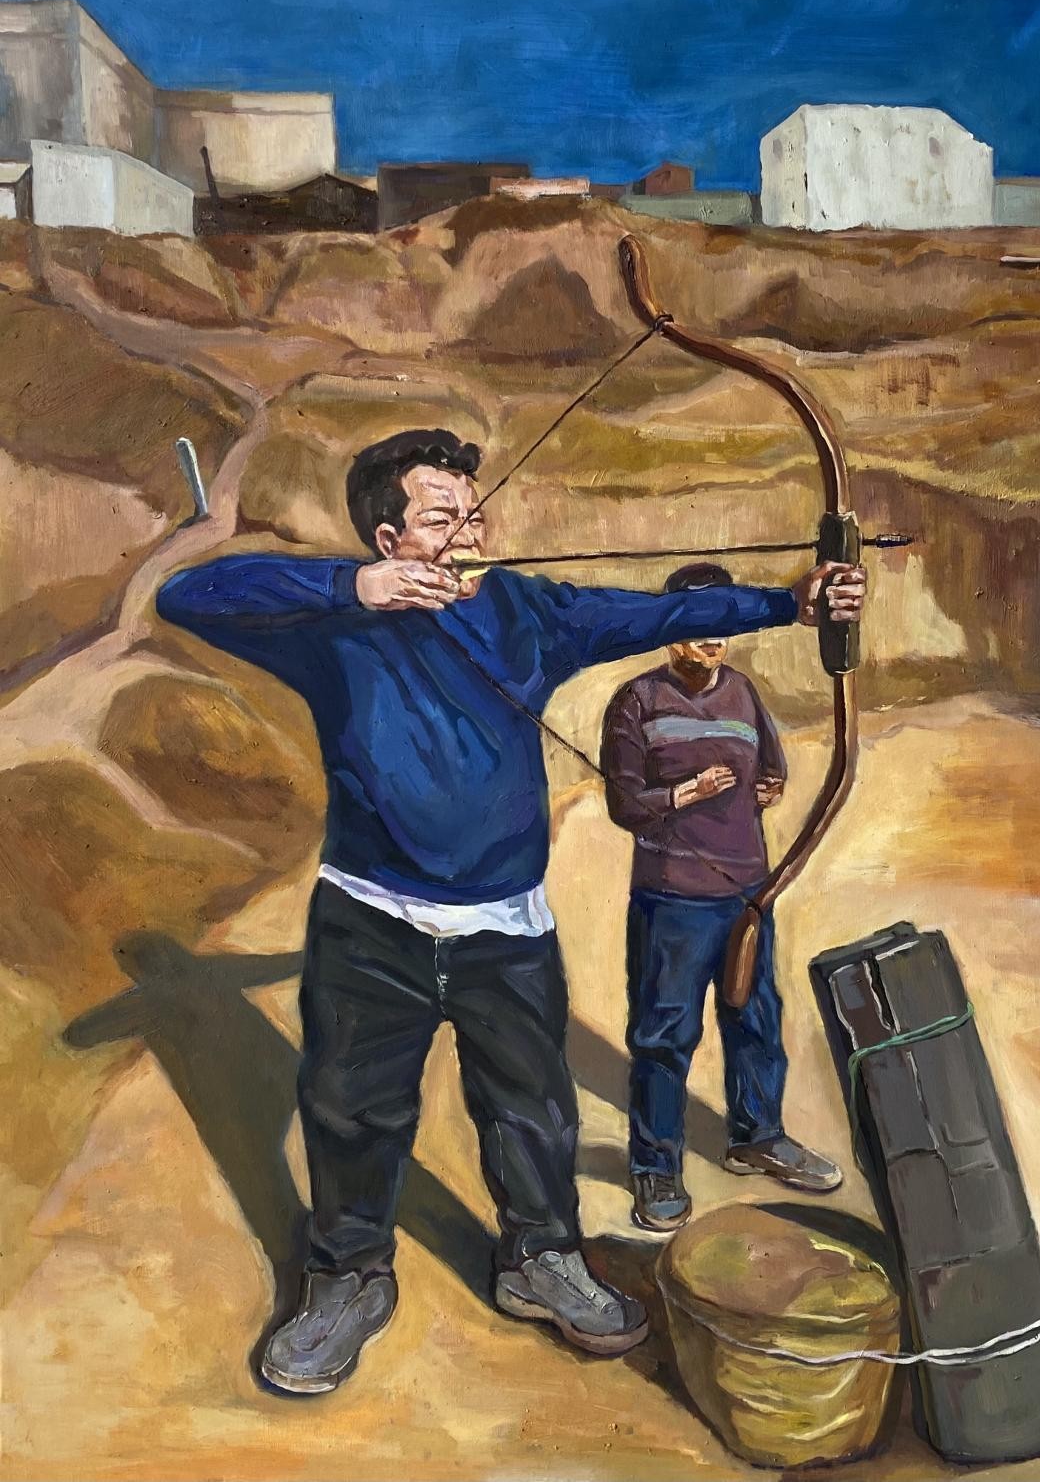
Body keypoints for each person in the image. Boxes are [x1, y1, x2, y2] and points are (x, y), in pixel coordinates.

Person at [155, 429, 867, 1394]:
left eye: (472, 512)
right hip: (370, 920)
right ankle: (347, 1277)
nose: (469, 532)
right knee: (351, 1108)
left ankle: (540, 1259)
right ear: (388, 538)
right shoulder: (335, 624)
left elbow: (649, 612)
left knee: (530, 1109)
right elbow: (187, 595)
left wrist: (791, 602)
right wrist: (352, 589)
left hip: (505, 926)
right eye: (440, 518)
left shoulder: (527, 612)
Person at [600, 563, 843, 1234]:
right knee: (663, 1036)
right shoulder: (637, 701)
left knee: (755, 1019)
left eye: (721, 625)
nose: (713, 638)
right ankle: (655, 1167)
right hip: (671, 900)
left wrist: (770, 786)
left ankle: (757, 1136)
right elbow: (625, 804)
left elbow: (771, 766)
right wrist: (687, 793)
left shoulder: (741, 692)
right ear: (672, 630)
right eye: (700, 624)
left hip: (746, 894)